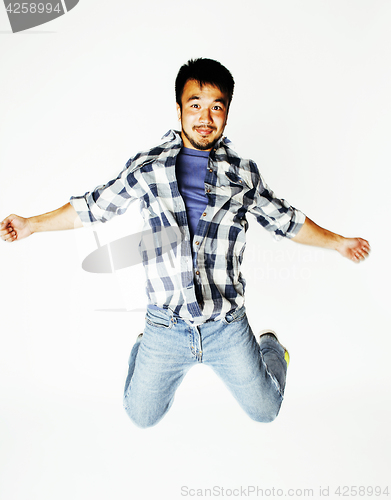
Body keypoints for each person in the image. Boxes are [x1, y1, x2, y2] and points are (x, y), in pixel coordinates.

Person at [0, 58, 370, 428]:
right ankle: (141, 345)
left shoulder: (243, 173)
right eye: (195, 105)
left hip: (226, 323)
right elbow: (95, 207)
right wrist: (32, 224)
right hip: (166, 323)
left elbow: (285, 220)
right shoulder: (148, 166)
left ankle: (272, 346)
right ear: (179, 109)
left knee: (266, 410)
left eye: (216, 107)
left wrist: (339, 243)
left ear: (226, 113)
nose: (205, 117)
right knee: (141, 416)